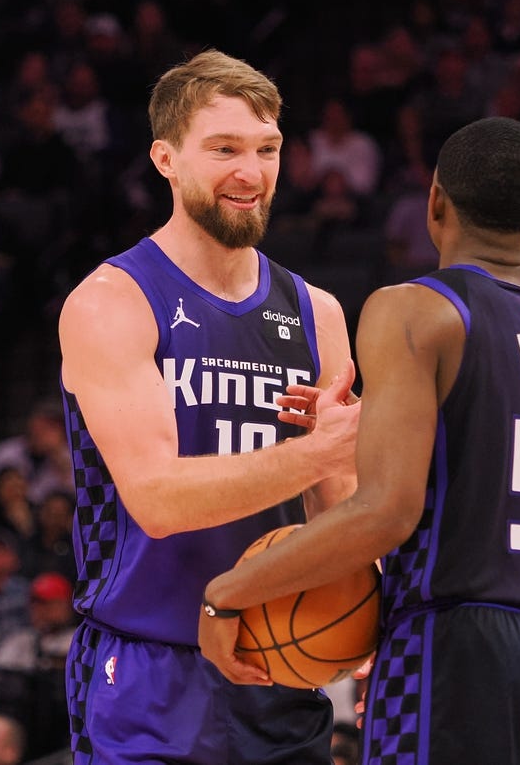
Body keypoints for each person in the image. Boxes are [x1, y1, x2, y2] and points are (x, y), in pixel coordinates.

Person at [199, 116, 520, 764]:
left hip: (460, 644)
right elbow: (507, 450)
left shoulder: (414, 309)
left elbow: (387, 513)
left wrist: (229, 594)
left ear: (435, 200)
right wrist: (379, 419)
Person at [57, 50, 359, 764]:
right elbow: (157, 499)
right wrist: (318, 450)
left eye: (267, 150)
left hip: (282, 662)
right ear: (166, 158)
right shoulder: (113, 301)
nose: (250, 173)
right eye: (223, 149)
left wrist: (364, 616)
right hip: (150, 670)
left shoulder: (317, 313)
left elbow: (338, 502)